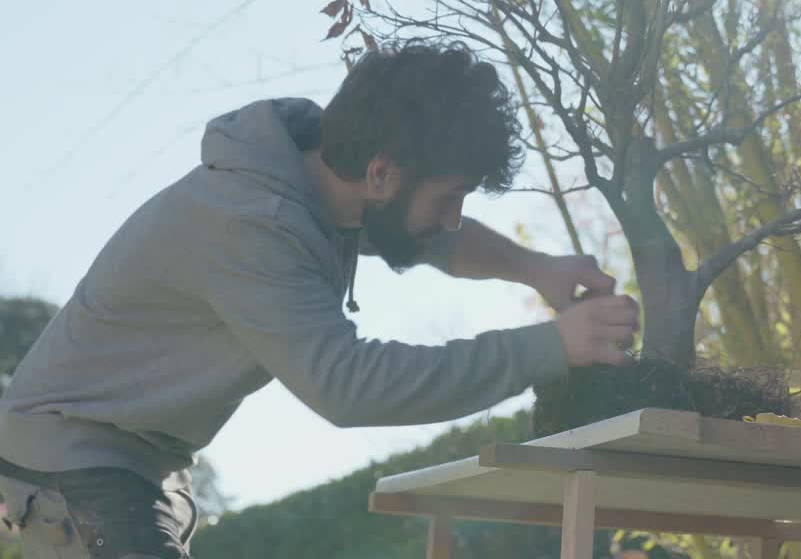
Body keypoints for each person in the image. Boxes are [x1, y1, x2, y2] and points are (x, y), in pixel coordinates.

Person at [0, 41, 639, 559]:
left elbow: (427, 237)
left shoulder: (320, 179)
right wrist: (552, 346)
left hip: (137, 462)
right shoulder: (252, 223)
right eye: (449, 197)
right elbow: (347, 386)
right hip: (73, 459)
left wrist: (536, 268)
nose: (452, 219)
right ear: (382, 173)